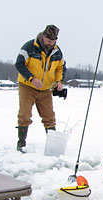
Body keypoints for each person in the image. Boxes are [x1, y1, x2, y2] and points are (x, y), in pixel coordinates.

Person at [14, 24, 66, 152]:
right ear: (43, 36)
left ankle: (52, 146)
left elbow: (61, 67)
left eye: (54, 41)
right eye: (49, 40)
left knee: (49, 117)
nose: (51, 43)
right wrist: (31, 78)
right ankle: (21, 144)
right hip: (27, 86)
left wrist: (59, 81)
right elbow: (19, 64)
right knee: (24, 115)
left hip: (45, 89)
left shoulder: (57, 51)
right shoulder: (29, 47)